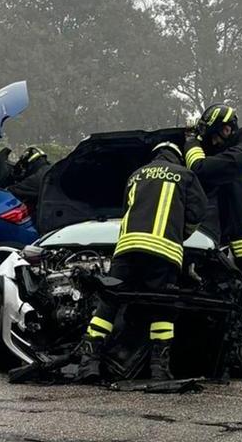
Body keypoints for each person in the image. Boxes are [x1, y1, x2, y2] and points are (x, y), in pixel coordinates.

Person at [74, 141, 208, 381]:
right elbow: (198, 212)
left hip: (126, 249)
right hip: (163, 251)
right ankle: (159, 369)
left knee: (110, 302)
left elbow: (127, 209)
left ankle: (88, 364)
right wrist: (179, 232)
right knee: (162, 307)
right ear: (177, 157)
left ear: (155, 156)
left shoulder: (136, 175)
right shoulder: (185, 175)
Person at [183, 104, 242, 279]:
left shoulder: (238, 156)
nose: (213, 143)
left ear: (227, 130)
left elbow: (199, 169)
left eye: (214, 137)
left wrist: (192, 142)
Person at [6, 146, 51, 213]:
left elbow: (12, 191)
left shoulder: (37, 178)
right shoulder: (48, 169)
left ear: (30, 164)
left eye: (24, 167)